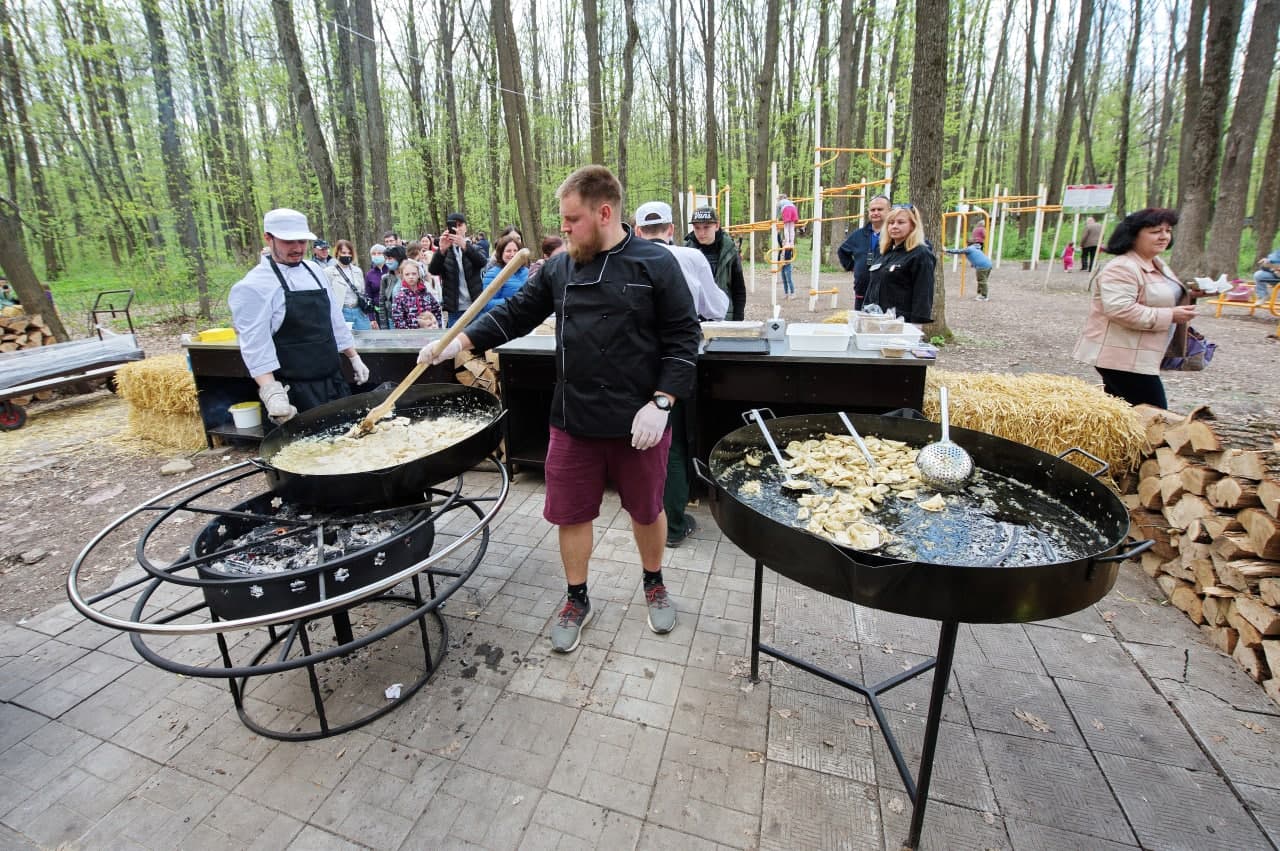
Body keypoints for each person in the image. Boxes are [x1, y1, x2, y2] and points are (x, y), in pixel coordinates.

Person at [418, 166, 701, 653]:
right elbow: (514, 314)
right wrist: (459, 341)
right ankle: (577, 597)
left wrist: (662, 402)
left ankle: (653, 581)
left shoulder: (656, 263)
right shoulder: (560, 268)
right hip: (573, 418)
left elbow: (684, 338)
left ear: (604, 212)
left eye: (572, 219)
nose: (564, 228)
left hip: (640, 420)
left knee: (647, 508)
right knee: (571, 513)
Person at [635, 198, 728, 549]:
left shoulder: (627, 259)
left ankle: (646, 518)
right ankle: (673, 525)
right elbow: (717, 307)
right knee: (670, 443)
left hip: (633, 366)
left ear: (639, 231)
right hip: (676, 364)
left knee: (638, 440)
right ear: (673, 230)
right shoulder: (690, 257)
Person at [227, 209, 370, 423]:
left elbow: (335, 320)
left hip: (333, 381)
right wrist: (273, 394)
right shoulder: (253, 287)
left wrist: (353, 356)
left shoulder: (315, 271)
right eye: (288, 241)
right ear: (269, 238)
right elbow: (255, 345)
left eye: (302, 241)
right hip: (294, 392)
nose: (297, 248)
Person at [1072, 208, 1197, 409]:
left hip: (1138, 353)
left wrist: (1188, 295)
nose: (1163, 236)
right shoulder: (1122, 267)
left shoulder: (1155, 262)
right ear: (1134, 235)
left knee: (1122, 413)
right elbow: (1120, 310)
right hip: (1121, 356)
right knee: (1154, 414)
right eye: (1155, 231)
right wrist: (1171, 315)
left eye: (1167, 230)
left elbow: (1155, 294)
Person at [865, 205, 936, 324]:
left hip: (900, 323)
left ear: (913, 225)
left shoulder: (921, 254)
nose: (894, 226)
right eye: (891, 222)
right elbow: (872, 287)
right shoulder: (884, 252)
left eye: (901, 222)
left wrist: (916, 325)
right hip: (875, 320)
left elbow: (923, 294)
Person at [685, 206, 746, 321]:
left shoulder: (730, 251)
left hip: (724, 317)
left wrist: (738, 320)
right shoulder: (687, 251)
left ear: (717, 226)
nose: (701, 232)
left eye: (706, 227)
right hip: (696, 318)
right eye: (697, 228)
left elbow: (738, 289)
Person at [429, 212, 487, 327]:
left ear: (466, 227)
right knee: (455, 342)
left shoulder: (474, 248)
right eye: (453, 225)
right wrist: (441, 250)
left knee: (479, 340)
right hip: (455, 309)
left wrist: (464, 246)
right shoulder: (446, 251)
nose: (457, 228)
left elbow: (482, 262)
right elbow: (433, 270)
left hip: (475, 306)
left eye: (460, 225)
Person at [837, 194, 890, 310]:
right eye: (872, 210)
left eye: (880, 209)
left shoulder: (895, 235)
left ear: (889, 211)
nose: (875, 212)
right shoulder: (859, 235)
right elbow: (842, 251)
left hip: (887, 293)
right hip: (862, 290)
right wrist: (852, 267)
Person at [325, 239, 373, 330]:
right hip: (342, 311)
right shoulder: (329, 272)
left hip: (359, 311)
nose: (347, 255)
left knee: (366, 339)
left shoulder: (357, 271)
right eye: (343, 252)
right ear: (337, 253)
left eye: (349, 253)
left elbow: (362, 291)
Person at [478, 232, 529, 315]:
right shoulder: (493, 274)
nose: (513, 254)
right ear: (501, 253)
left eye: (515, 251)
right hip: (503, 321)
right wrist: (514, 301)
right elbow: (486, 304)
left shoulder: (526, 271)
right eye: (508, 251)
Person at [391, 259, 442, 329]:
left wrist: (436, 326)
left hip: (430, 335)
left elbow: (437, 312)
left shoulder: (427, 295)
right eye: (407, 274)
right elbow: (398, 320)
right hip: (411, 337)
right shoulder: (399, 298)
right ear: (402, 276)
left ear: (418, 275)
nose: (411, 276)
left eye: (414, 273)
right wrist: (416, 325)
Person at [379, 244, 407, 325]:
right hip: (392, 320)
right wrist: (384, 326)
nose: (387, 261)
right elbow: (382, 304)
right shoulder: (386, 278)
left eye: (390, 258)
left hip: (409, 319)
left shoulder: (410, 276)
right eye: (386, 259)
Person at [364, 243, 387, 323]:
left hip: (392, 311)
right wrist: (371, 318)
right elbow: (368, 296)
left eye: (379, 253)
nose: (376, 255)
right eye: (374, 254)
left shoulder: (392, 270)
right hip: (378, 312)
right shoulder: (369, 274)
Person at [777, 234, 796, 300]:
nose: (783, 242)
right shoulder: (781, 248)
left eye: (785, 241)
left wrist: (791, 241)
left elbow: (793, 253)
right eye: (783, 241)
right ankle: (786, 294)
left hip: (787, 265)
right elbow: (779, 240)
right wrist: (778, 232)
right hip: (782, 265)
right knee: (784, 280)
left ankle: (793, 293)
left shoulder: (789, 248)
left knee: (789, 280)